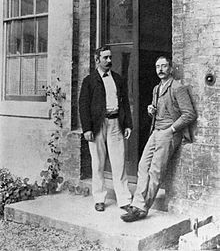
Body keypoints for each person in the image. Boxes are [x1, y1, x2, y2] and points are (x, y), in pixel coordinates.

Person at [121, 55, 197, 222]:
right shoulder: (156, 89)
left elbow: (189, 114)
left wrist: (171, 129)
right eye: (157, 67)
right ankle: (137, 203)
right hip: (155, 131)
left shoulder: (177, 88)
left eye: (164, 66)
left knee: (155, 170)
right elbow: (161, 110)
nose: (160, 70)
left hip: (169, 133)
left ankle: (141, 208)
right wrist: (152, 110)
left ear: (170, 68)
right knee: (142, 165)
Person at [79, 46, 133, 212]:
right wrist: (87, 128)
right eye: (105, 58)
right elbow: (83, 106)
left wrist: (128, 124)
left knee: (119, 163)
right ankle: (99, 198)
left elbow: (125, 103)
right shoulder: (89, 81)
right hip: (97, 126)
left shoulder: (118, 79)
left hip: (115, 122)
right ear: (97, 60)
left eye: (110, 57)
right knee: (98, 164)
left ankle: (124, 200)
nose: (109, 61)